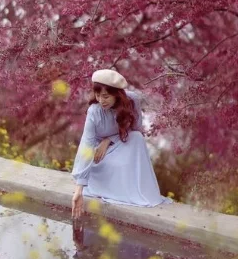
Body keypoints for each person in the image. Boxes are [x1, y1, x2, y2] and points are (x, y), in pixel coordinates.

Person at [71, 69, 171, 219]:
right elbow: (87, 144)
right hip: (100, 155)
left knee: (137, 138)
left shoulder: (132, 101)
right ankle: (109, 186)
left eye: (106, 96)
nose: (101, 100)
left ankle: (137, 190)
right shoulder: (94, 111)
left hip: (118, 145)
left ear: (117, 94)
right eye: (97, 96)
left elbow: (135, 129)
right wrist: (79, 189)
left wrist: (109, 139)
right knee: (115, 157)